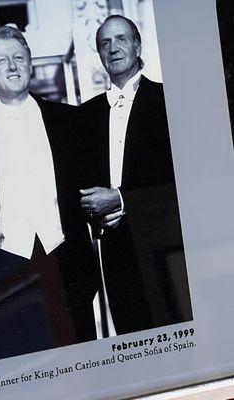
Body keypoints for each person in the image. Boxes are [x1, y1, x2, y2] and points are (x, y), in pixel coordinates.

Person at [0, 25, 99, 359]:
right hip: (4, 273)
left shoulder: (69, 120)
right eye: (2, 60)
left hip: (68, 261)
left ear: (30, 63)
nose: (11, 66)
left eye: (18, 57)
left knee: (85, 364)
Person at [79, 15, 192, 335]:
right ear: (99, 55)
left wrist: (123, 200)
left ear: (138, 46)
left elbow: (188, 184)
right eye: (105, 43)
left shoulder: (169, 101)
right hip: (115, 255)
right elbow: (79, 187)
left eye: (121, 39)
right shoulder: (87, 116)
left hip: (168, 250)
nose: (113, 48)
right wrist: (96, 216)